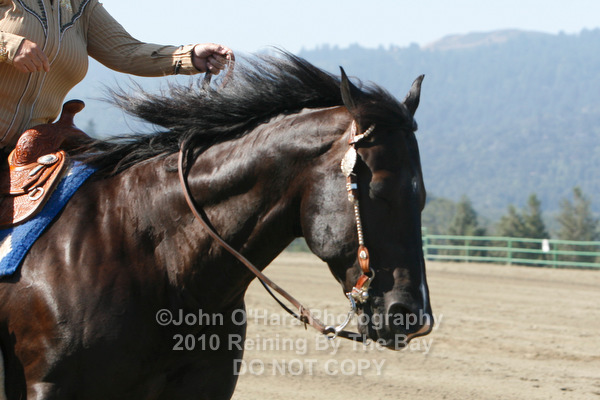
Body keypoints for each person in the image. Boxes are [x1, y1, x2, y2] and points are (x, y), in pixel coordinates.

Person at [0, 0, 233, 151]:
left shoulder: (82, 6)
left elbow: (125, 51)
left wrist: (190, 56)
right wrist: (9, 45)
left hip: (35, 145)